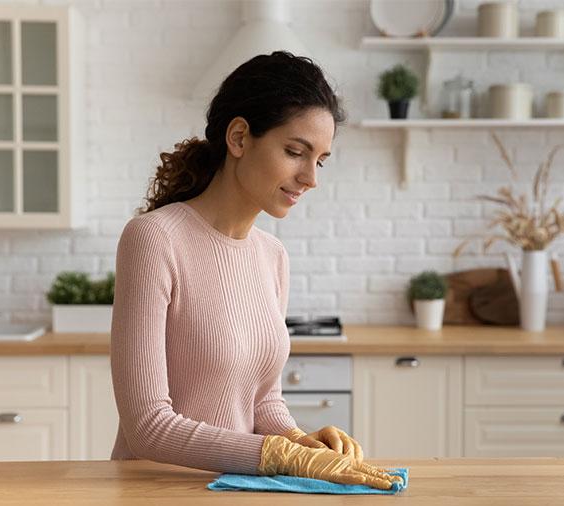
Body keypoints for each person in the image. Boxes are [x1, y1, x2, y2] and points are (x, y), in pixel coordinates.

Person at [110, 50, 400, 490]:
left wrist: (299, 441)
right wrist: (280, 455)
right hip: (157, 491)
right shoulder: (153, 239)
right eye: (294, 152)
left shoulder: (272, 256)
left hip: (239, 489)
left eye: (319, 160)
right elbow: (147, 425)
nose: (310, 178)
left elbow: (263, 401)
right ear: (240, 138)